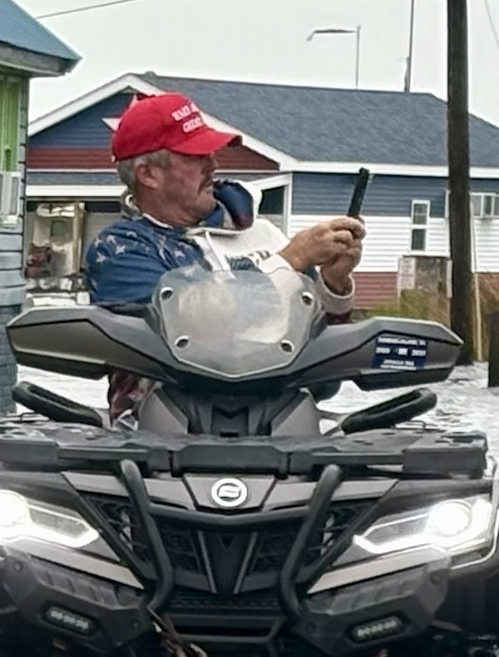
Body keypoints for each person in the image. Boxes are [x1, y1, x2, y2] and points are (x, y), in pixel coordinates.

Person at [84, 91, 367, 423]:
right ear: (148, 175)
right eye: (195, 155)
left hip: (284, 434)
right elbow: (197, 330)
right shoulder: (120, 250)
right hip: (159, 445)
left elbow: (324, 373)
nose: (213, 164)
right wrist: (291, 260)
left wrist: (334, 286)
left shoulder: (261, 233)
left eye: (211, 152)